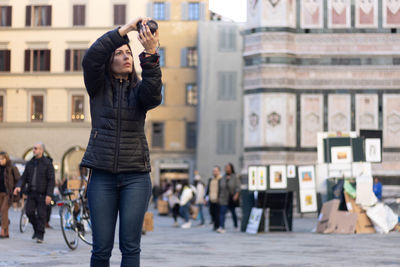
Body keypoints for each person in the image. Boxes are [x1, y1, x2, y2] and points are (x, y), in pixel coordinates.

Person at [79, 16, 162, 267]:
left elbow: (154, 95)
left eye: (129, 52)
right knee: (101, 249)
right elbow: (91, 58)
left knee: (130, 247)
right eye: (119, 53)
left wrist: (150, 54)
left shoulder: (139, 91)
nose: (127, 56)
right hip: (102, 175)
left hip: (136, 176)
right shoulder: (97, 87)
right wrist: (125, 30)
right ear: (109, 61)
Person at [13, 143, 55, 243]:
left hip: (43, 194)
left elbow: (51, 180)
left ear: (41, 150)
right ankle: (37, 229)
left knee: (41, 215)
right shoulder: (30, 163)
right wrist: (18, 186)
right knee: (29, 212)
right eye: (33, 148)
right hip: (31, 193)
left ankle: (40, 235)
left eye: (36, 148)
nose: (34, 150)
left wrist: (49, 194)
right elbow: (23, 178)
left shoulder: (47, 163)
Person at [0, 152, 20, 238]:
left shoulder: (12, 168)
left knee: (4, 210)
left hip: (8, 193)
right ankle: (7, 231)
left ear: (6, 159)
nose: (0, 161)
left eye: (2, 159)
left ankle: (3, 230)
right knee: (2, 212)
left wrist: (17, 188)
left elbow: (18, 179)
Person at [216, 163, 240, 233]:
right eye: (226, 167)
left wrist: (236, 195)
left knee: (233, 213)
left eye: (228, 167)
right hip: (223, 198)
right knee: (222, 212)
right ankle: (221, 227)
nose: (227, 169)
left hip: (231, 198)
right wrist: (218, 197)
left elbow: (238, 187)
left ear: (231, 168)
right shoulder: (223, 178)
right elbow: (219, 188)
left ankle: (235, 225)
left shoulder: (235, 177)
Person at [206, 166, 222, 231]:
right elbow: (208, 189)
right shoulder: (210, 179)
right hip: (211, 198)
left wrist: (220, 197)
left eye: (215, 171)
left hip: (218, 199)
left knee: (217, 213)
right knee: (211, 212)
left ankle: (217, 226)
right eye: (213, 171)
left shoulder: (221, 179)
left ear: (219, 171)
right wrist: (206, 197)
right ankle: (215, 224)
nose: (214, 172)